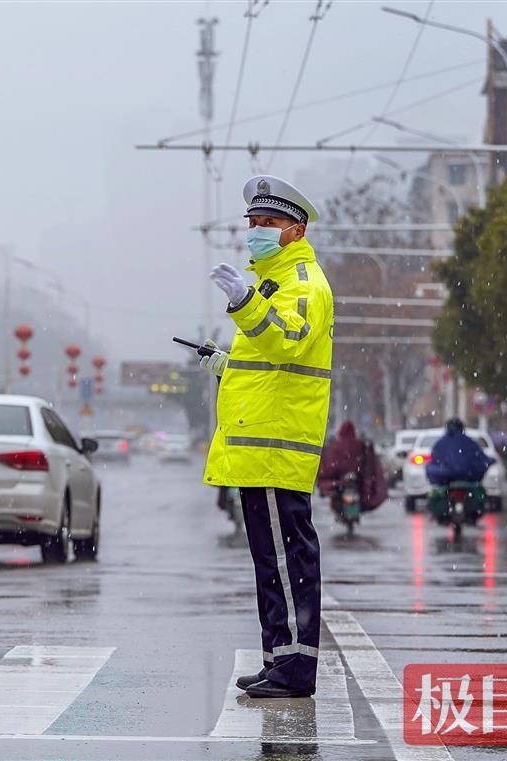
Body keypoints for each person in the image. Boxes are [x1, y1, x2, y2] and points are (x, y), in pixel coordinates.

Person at [198, 175, 333, 700]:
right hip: (262, 448)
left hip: (278, 449)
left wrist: (244, 302)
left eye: (268, 224)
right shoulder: (275, 280)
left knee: (286, 560)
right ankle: (279, 659)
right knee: (271, 562)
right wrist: (227, 363)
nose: (256, 231)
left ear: (295, 230)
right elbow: (271, 359)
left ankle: (295, 669)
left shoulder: (302, 279)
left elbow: (292, 338)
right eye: (252, 223)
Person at [317, 421, 388, 511]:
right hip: (355, 481)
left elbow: (330, 468)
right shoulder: (359, 445)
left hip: (343, 482)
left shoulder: (336, 446)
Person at [426, 418, 493, 486]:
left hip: (445, 478)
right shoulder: (470, 442)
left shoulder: (441, 443)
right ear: (462, 428)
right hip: (468, 477)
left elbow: (435, 457)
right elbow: (482, 458)